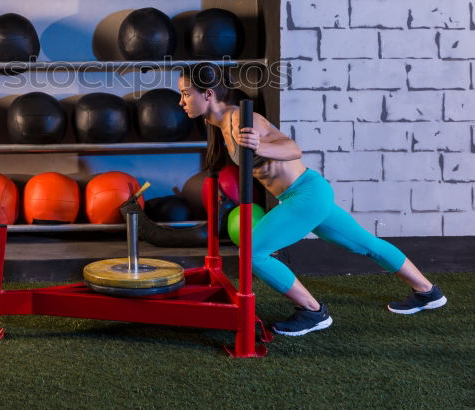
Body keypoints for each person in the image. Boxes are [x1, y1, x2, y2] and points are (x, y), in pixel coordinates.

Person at [177, 63, 447, 336]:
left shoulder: (242, 120)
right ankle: (428, 291)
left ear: (208, 95)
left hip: (305, 195)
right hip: (306, 194)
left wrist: (261, 146)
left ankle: (312, 312)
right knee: (366, 245)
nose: (181, 101)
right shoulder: (218, 124)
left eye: (186, 94)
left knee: (251, 252)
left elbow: (293, 149)